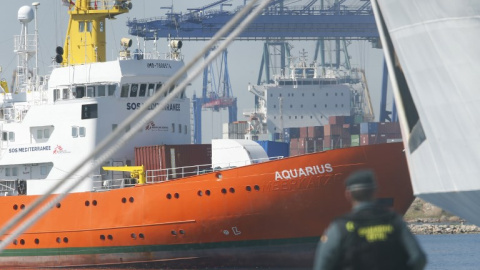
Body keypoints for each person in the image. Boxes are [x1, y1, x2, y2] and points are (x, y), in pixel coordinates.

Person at [313, 170, 426, 270]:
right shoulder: (394, 221)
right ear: (375, 191)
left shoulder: (340, 227)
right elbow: (419, 258)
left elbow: (322, 265)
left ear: (348, 195)